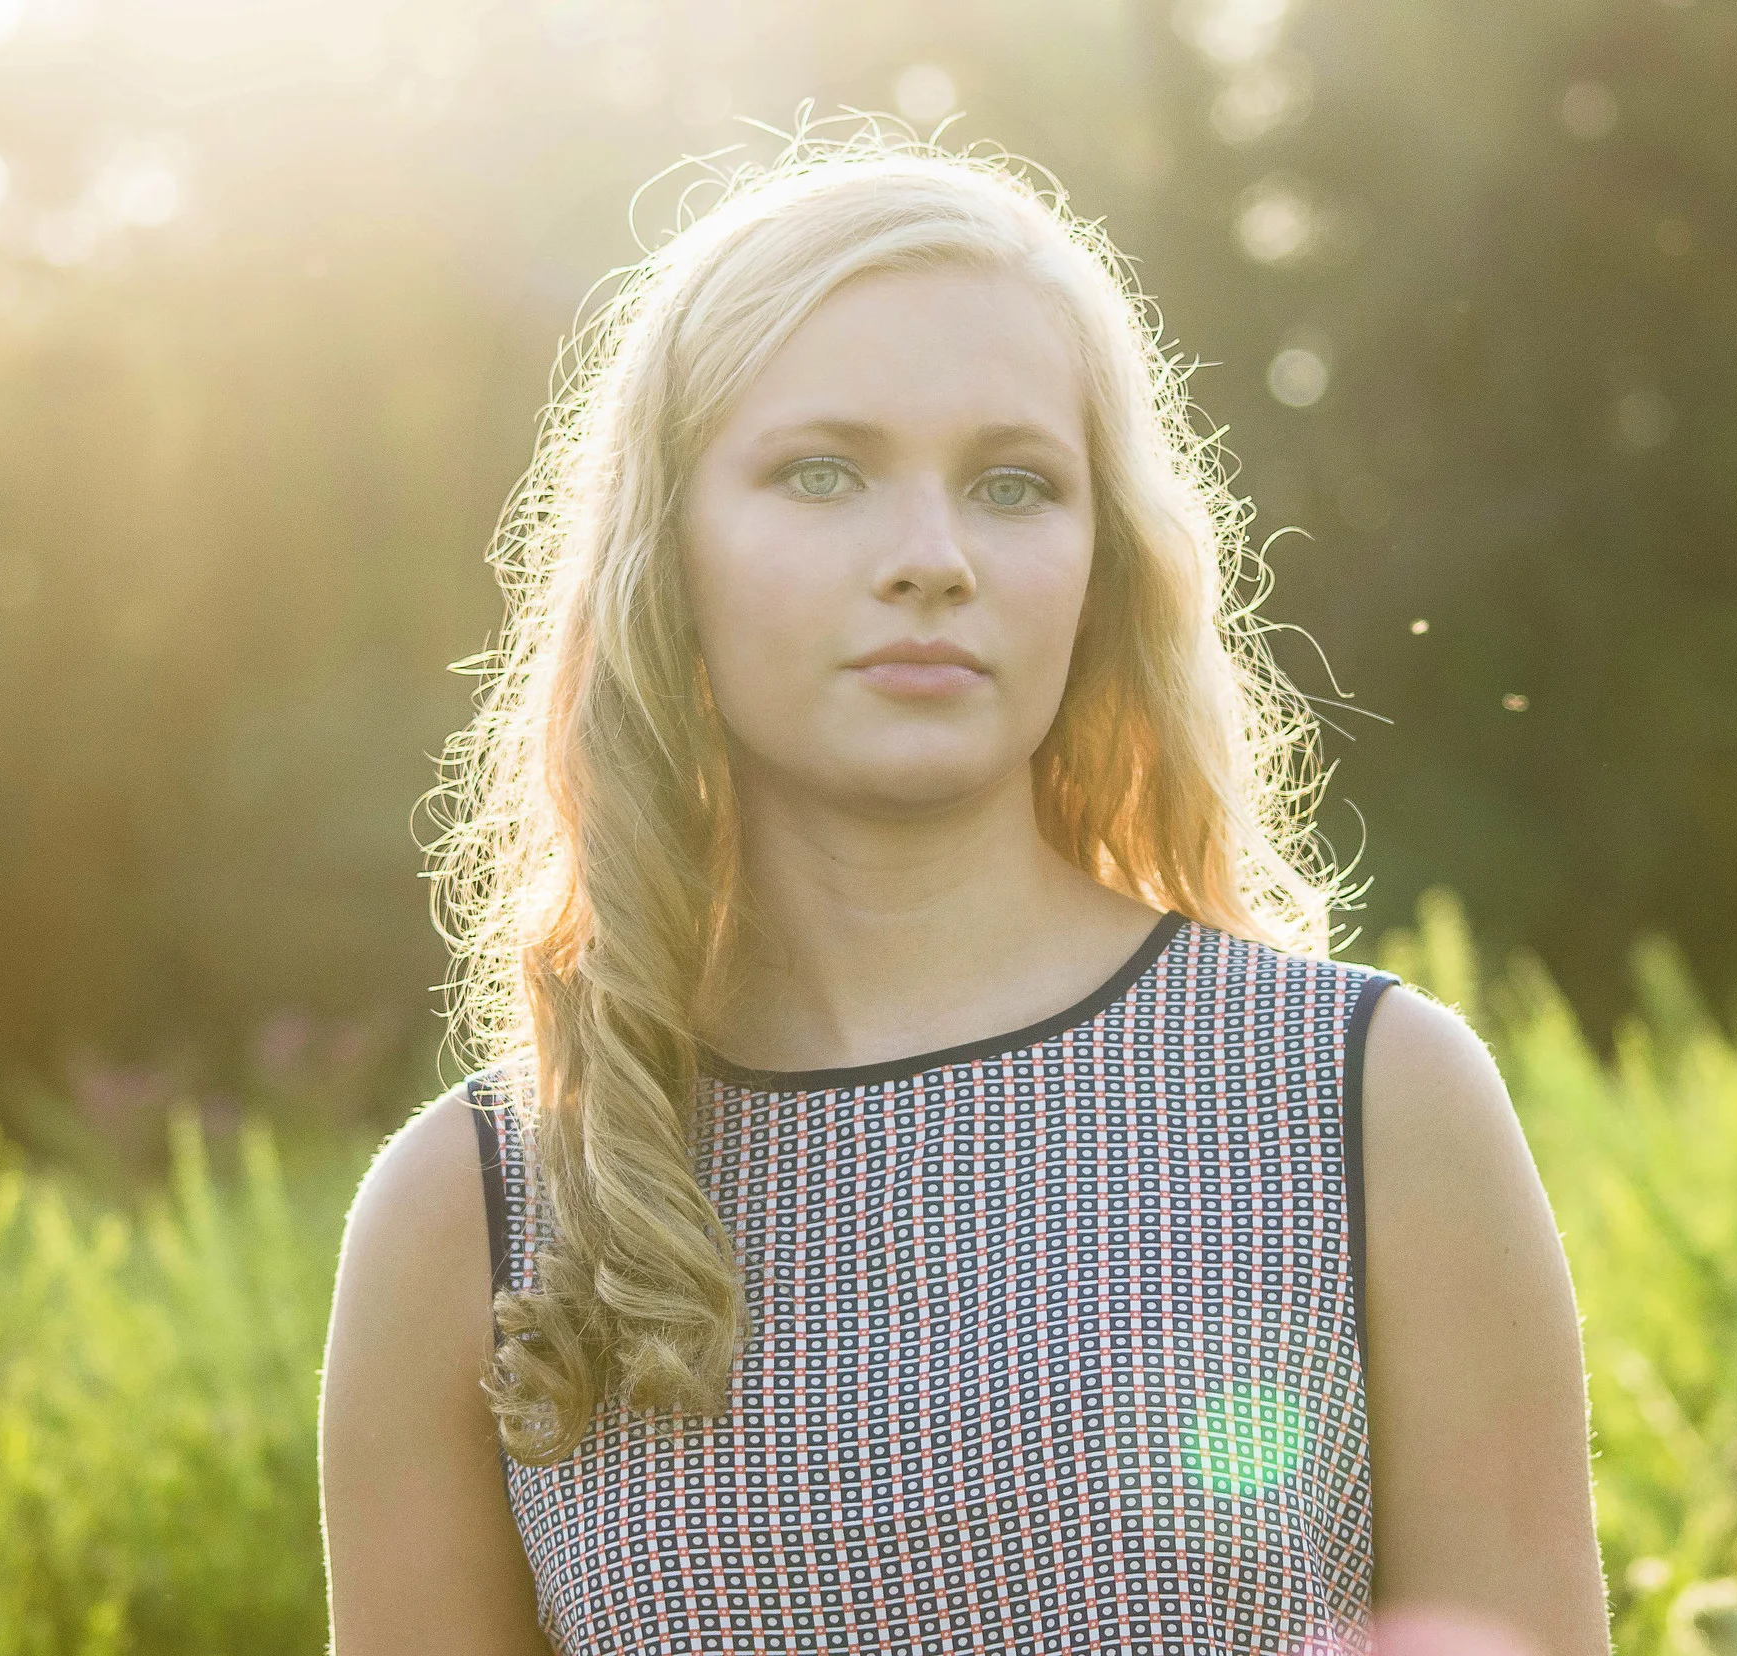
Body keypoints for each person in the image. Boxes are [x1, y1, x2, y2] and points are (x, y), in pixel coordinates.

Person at [319, 124, 1612, 1656]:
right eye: (822, 473)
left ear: (1102, 561)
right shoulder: (469, 1207)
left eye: (1012, 485)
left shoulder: (1365, 1098)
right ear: (665, 557)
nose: (932, 557)